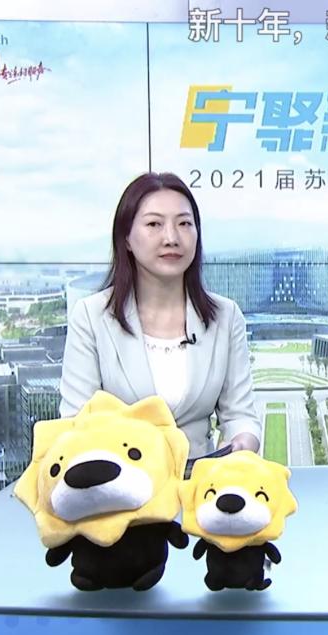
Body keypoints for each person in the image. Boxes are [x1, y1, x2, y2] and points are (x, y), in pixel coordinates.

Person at [59, 172, 262, 458]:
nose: (171, 238)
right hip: (121, 481)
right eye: (154, 224)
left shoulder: (225, 317)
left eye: (184, 224)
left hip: (202, 480)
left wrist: (242, 442)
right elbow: (76, 423)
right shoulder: (91, 317)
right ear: (126, 238)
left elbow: (240, 414)